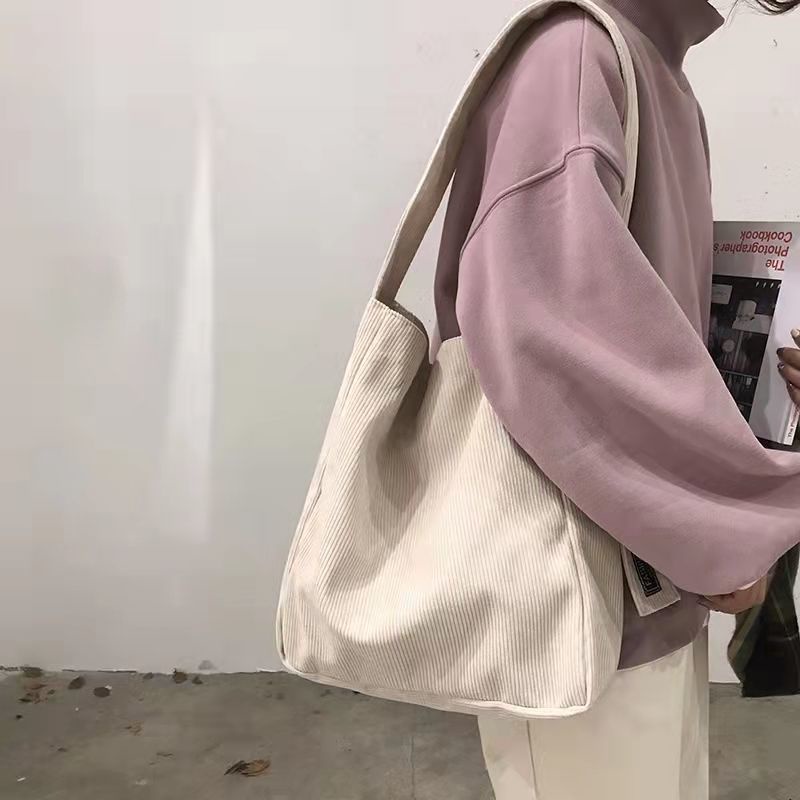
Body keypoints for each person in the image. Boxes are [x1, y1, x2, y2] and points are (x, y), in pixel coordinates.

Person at [431, 0, 800, 797]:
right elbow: (556, 364)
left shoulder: (650, 67)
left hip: (648, 591)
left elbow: (629, 337)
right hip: (578, 613)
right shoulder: (575, 60)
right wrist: (725, 530)